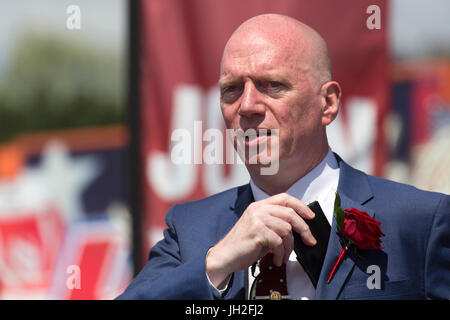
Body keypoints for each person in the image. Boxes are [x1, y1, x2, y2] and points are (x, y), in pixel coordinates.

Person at [117, 14, 449, 300]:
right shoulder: (190, 229)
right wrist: (215, 264)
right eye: (231, 88)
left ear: (328, 103)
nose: (246, 106)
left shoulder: (420, 221)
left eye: (272, 85)